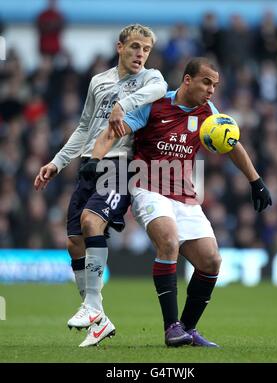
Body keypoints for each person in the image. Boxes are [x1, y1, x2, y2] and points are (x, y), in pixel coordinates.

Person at [81, 57, 272, 347]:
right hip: (148, 187)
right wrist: (94, 159)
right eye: (206, 82)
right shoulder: (156, 104)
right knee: (168, 241)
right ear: (187, 80)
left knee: (211, 261)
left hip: (184, 195)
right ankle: (171, 327)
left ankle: (188, 329)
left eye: (215, 85)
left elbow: (232, 144)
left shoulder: (209, 112)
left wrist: (255, 181)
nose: (211, 90)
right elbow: (115, 130)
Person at [34, 24, 168, 347]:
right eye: (135, 47)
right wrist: (56, 162)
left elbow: (160, 89)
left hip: (120, 163)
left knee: (91, 221)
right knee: (73, 242)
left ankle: (92, 305)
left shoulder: (150, 78)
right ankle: (99, 318)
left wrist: (125, 104)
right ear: (120, 46)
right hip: (88, 164)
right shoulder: (98, 81)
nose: (140, 54)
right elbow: (83, 128)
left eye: (146, 49)